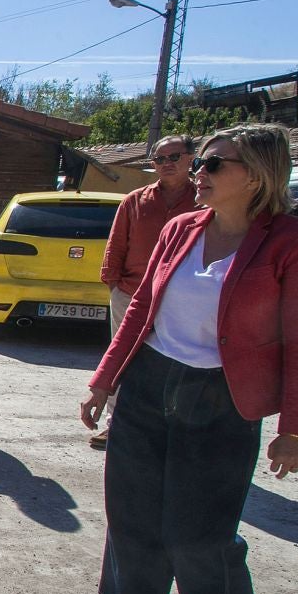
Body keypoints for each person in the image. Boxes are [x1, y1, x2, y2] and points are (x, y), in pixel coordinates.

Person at [72, 124, 298, 594]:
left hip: (223, 397)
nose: (199, 174)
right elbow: (141, 307)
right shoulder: (181, 228)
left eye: (214, 165)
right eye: (201, 164)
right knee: (132, 512)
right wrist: (104, 381)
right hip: (149, 384)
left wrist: (296, 429)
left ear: (258, 174)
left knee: (199, 530)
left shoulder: (297, 242)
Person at [93, 134, 199, 449]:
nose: (166, 164)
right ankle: (115, 425)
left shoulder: (203, 201)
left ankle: (170, 428)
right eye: (159, 159)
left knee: (176, 361)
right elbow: (116, 246)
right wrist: (115, 285)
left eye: (174, 157)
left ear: (190, 158)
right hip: (131, 292)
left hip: (182, 298)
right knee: (122, 358)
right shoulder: (135, 200)